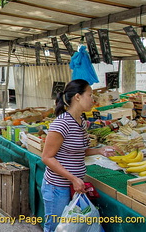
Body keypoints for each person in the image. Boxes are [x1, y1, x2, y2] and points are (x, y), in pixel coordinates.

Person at [41, 79, 117, 232]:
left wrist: (100, 151)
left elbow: (78, 150)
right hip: (57, 188)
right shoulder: (61, 123)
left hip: (74, 185)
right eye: (90, 95)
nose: (93, 100)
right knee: (55, 227)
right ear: (77, 97)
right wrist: (73, 178)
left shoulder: (81, 121)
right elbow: (47, 157)